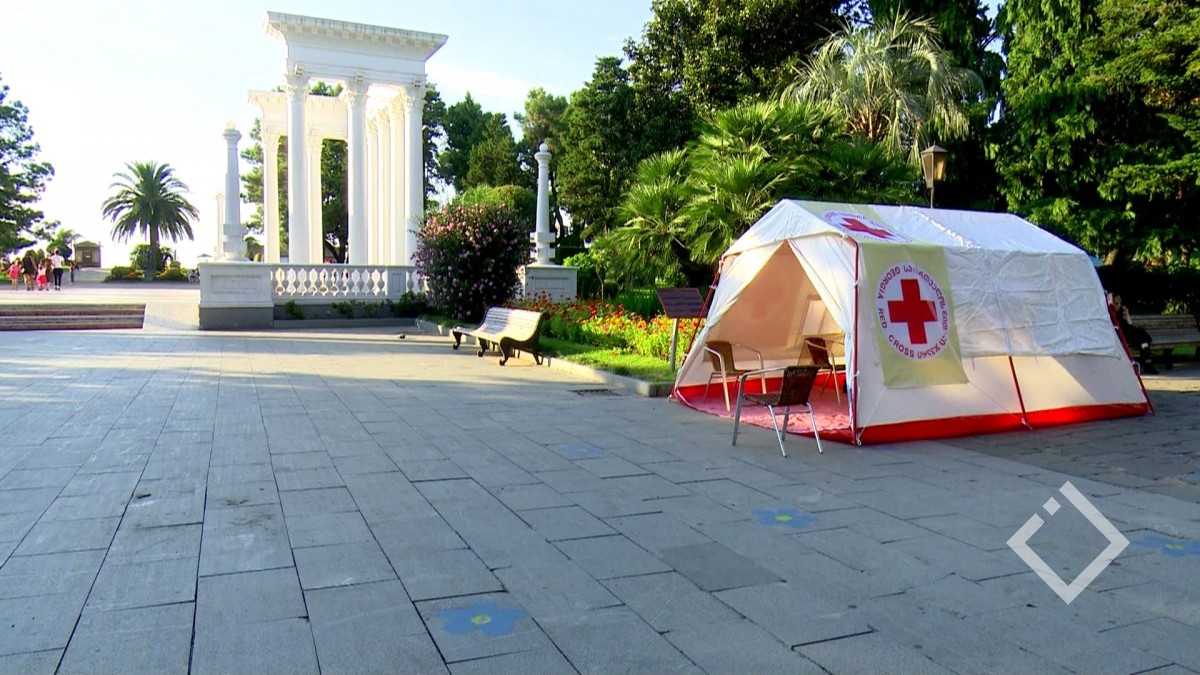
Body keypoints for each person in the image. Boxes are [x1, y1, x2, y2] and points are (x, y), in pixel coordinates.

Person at [1111, 294, 1157, 374]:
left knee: (1142, 338)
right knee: (1142, 336)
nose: (1119, 305)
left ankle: (1146, 362)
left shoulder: (1121, 313)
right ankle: (1147, 364)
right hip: (1124, 335)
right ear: (1112, 304)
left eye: (1120, 303)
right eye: (1117, 303)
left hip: (1131, 333)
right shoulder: (1111, 316)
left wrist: (1127, 314)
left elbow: (1130, 324)